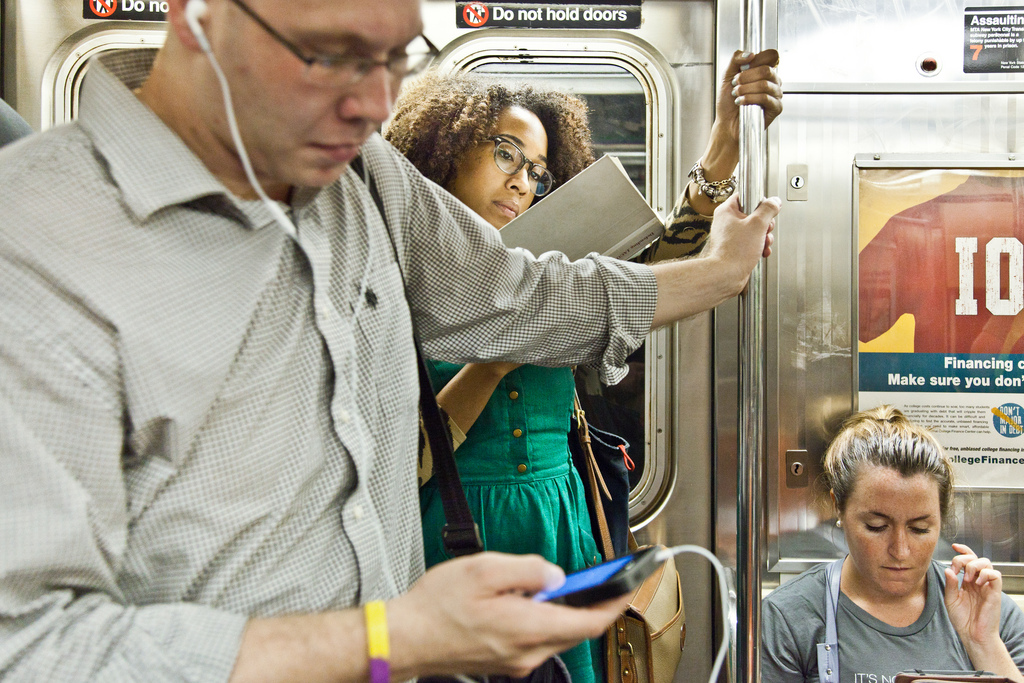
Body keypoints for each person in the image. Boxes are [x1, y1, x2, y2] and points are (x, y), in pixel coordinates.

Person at [0, 0, 779, 680]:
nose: (373, 105)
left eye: (397, 57)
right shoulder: (34, 241)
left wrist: (721, 271)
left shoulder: (363, 180)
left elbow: (519, 290)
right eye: (331, 55)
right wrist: (386, 639)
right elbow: (30, 646)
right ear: (195, 14)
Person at [384, 62, 781, 683]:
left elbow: (654, 277)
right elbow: (407, 464)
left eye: (537, 171)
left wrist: (723, 147)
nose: (522, 182)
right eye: (506, 154)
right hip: (458, 525)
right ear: (445, 153)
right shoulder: (405, 278)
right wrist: (495, 362)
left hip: (559, 517)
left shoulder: (547, 269)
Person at [761, 405, 1024, 683]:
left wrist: (981, 642)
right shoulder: (790, 618)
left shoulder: (990, 615)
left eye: (919, 529)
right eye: (877, 527)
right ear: (839, 507)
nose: (900, 550)